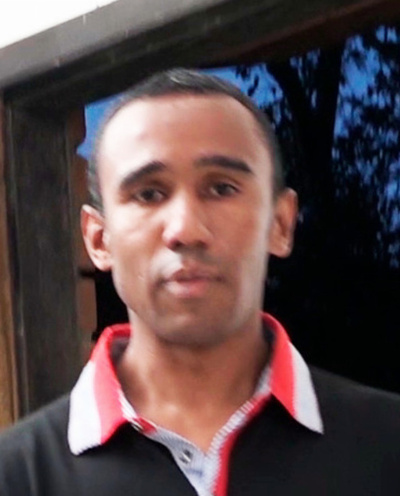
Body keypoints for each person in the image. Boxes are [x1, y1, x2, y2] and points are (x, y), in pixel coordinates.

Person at [0, 68, 399, 496]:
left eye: (221, 188)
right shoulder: (16, 474)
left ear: (281, 224)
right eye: (149, 194)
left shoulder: (387, 444)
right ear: (99, 240)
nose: (186, 229)